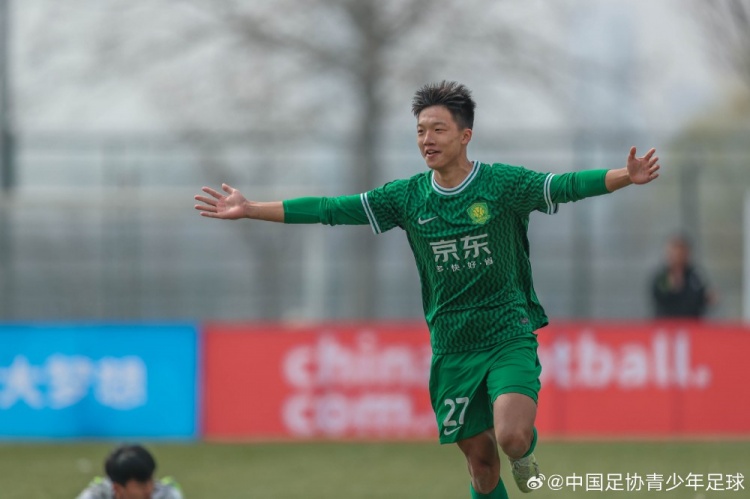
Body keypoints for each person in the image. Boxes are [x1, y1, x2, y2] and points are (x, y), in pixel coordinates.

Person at [194, 81, 660, 498]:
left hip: (507, 334)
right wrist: (252, 208)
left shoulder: (502, 185)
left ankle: (525, 454)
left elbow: (565, 185)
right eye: (420, 131)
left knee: (511, 437)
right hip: (451, 347)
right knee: (481, 466)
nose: (426, 139)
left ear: (465, 135)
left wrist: (626, 176)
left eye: (438, 129)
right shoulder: (407, 197)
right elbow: (331, 208)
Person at [76, 444, 183, 499]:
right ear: (118, 488)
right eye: (141, 486)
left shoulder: (166, 495)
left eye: (151, 481)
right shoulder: (96, 496)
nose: (149, 490)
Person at [651, 233, 714, 319]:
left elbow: (702, 296)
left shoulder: (695, 276)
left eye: (681, 252)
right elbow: (660, 297)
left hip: (691, 322)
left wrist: (707, 298)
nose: (678, 256)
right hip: (667, 323)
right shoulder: (662, 276)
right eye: (674, 252)